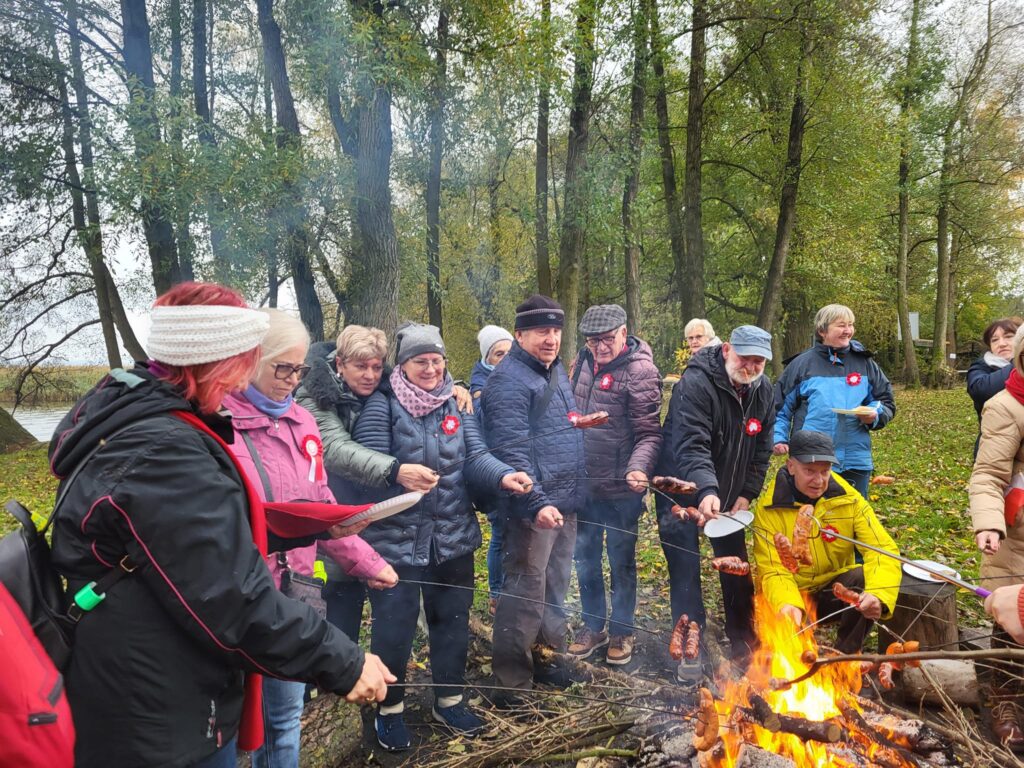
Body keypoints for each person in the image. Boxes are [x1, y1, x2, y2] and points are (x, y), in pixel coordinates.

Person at [48, 282, 394, 768]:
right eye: (244, 363)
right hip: (158, 710)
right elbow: (228, 595)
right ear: (218, 361)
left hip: (157, 679)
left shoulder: (143, 419)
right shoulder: (163, 450)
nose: (242, 383)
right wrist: (344, 661)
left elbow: (180, 545)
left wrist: (299, 529)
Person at [223, 309, 398, 768]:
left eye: (299, 369)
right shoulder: (219, 426)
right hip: (237, 597)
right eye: (282, 367)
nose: (291, 379)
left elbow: (317, 504)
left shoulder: (301, 421)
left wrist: (365, 560)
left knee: (285, 718)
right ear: (249, 360)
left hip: (294, 595)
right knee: (233, 725)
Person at [354, 322, 533, 751]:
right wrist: (401, 476)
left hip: (453, 537)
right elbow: (366, 473)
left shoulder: (454, 404)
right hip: (396, 540)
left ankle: (449, 699)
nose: (431, 368)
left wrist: (504, 475)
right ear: (404, 365)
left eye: (437, 360)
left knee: (451, 623)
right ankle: (389, 708)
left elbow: (477, 455)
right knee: (393, 629)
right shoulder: (383, 405)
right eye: (421, 361)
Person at [296, 325, 438, 642]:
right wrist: (395, 471)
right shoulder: (312, 394)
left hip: (375, 520)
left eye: (376, 367)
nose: (370, 376)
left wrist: (455, 389)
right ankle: (325, 685)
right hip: (332, 520)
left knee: (390, 615)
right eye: (360, 367)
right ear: (340, 364)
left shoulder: (387, 389)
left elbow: (425, 389)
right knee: (336, 614)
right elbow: (333, 448)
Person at [482, 295, 587, 705]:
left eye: (557, 330)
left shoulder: (555, 371)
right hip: (532, 509)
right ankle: (511, 685)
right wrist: (537, 503)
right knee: (524, 592)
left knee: (556, 586)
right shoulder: (508, 381)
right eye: (542, 331)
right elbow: (512, 451)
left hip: (563, 502)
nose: (551, 339)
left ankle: (549, 662)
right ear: (520, 334)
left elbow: (562, 430)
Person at [655, 325, 776, 678]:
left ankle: (744, 643)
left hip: (728, 495)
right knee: (685, 567)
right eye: (744, 358)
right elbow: (692, 444)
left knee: (735, 565)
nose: (751, 367)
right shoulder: (694, 384)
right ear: (726, 350)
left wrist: (747, 492)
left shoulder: (763, 390)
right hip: (680, 488)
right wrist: (707, 490)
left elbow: (763, 447)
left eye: (758, 361)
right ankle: (692, 648)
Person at [566, 304, 662, 665]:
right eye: (594, 341)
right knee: (585, 557)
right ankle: (594, 626)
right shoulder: (583, 362)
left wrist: (639, 469)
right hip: (585, 485)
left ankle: (622, 630)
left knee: (621, 560)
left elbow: (650, 434)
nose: (601, 348)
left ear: (624, 333)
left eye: (607, 340)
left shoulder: (640, 371)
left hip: (623, 489)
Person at [752, 430, 900, 653]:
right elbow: (773, 569)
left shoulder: (848, 500)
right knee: (784, 659)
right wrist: (787, 603)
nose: (819, 480)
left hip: (834, 590)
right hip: (791, 594)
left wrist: (879, 594)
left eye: (825, 471)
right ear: (791, 466)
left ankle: (844, 660)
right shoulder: (769, 508)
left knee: (863, 578)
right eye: (809, 471)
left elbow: (881, 548)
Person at [773, 303, 896, 498]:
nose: (848, 331)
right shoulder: (801, 364)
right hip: (811, 459)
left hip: (855, 458)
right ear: (822, 330)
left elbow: (885, 401)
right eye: (841, 325)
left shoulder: (865, 363)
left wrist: (874, 415)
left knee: (852, 516)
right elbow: (779, 408)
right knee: (810, 516)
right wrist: (779, 437)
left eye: (850, 325)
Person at [969, 324, 1024, 750]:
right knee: (1009, 612)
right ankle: (1004, 700)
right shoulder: (1005, 405)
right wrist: (988, 522)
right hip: (1016, 529)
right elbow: (988, 475)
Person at [470, 324, 515, 614]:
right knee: (500, 534)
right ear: (488, 357)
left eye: (510, 352)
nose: (506, 358)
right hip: (495, 471)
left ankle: (514, 590)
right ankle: (497, 592)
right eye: (499, 354)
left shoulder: (519, 377)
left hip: (519, 467)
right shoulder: (478, 389)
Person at [967, 317, 1021, 456]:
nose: (1001, 344)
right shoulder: (982, 366)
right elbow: (980, 390)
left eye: (1008, 337)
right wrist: (1019, 364)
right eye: (994, 340)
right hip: (995, 452)